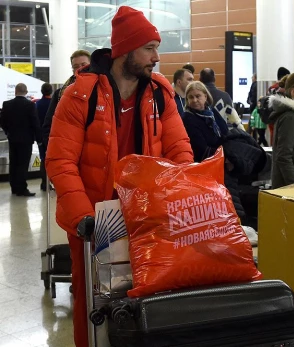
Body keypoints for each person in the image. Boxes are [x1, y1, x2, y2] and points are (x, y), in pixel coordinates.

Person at [45, 7, 194, 347]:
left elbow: (179, 149)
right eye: (150, 48)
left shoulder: (160, 92)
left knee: (149, 298)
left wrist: (180, 194)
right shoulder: (80, 95)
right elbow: (60, 161)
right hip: (94, 222)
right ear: (126, 50)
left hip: (147, 217)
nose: (157, 57)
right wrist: (85, 215)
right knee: (92, 305)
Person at [42, 50, 91, 147]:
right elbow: (49, 125)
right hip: (67, 147)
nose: (80, 69)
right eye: (76, 66)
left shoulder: (102, 90)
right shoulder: (60, 94)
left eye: (83, 65)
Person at [1, 83, 43, 196]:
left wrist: (8, 132)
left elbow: (3, 122)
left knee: (13, 163)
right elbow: (35, 123)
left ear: (15, 91)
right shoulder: (30, 105)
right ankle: (22, 189)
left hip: (12, 138)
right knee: (23, 164)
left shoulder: (7, 104)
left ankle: (14, 187)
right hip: (26, 139)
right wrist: (39, 139)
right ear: (26, 92)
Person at [182, 81, 228, 161]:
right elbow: (201, 149)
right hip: (206, 160)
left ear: (205, 97)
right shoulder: (188, 118)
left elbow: (225, 131)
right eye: (191, 97)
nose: (195, 100)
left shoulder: (212, 111)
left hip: (222, 151)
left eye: (198, 96)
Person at [36, 83, 53, 191]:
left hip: (41, 136)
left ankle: (44, 183)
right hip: (52, 136)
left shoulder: (37, 104)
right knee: (52, 159)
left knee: (43, 159)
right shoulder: (54, 103)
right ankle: (51, 183)